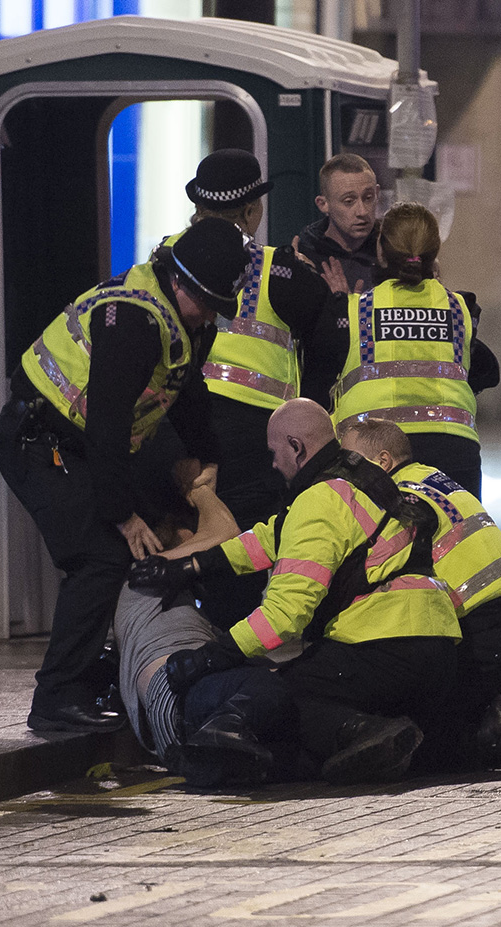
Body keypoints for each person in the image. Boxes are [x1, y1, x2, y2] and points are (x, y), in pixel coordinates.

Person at [0, 217, 247, 732]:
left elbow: (186, 391)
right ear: (180, 282)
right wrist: (125, 516)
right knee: (101, 557)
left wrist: (208, 457)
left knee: (134, 542)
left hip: (80, 446)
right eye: (206, 303)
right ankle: (57, 699)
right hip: (41, 443)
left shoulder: (182, 318)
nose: (208, 318)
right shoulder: (133, 321)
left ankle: (97, 670)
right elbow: (107, 424)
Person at [129, 399, 459, 783]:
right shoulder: (357, 481)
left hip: (383, 641)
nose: (272, 464)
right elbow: (271, 538)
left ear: (296, 447)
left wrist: (211, 656)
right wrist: (193, 564)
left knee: (284, 695)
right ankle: (485, 732)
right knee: (423, 734)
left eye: (274, 453)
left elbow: (285, 616)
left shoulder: (319, 500)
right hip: (437, 646)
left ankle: (359, 732)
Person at [340, 417, 501, 771]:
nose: (340, 474)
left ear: (383, 462)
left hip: (477, 645)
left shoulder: (393, 502)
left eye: (348, 460)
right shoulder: (435, 480)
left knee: (411, 744)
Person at [168, 149, 344, 627]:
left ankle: (178, 647)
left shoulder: (164, 257)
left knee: (183, 537)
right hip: (255, 438)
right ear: (251, 211)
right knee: (241, 552)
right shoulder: (280, 272)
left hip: (177, 429)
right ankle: (231, 657)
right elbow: (331, 339)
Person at [113, 483, 305, 787]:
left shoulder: (180, 601)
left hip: (186, 705)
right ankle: (216, 736)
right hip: (176, 693)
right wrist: (199, 488)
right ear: (160, 537)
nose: (193, 538)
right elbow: (226, 533)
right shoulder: (144, 577)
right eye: (187, 530)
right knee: (267, 684)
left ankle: (211, 763)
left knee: (297, 738)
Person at [323, 202, 500, 497]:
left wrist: (336, 303)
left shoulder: (353, 310)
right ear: (434, 255)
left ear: (381, 252)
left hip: (374, 454)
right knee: (454, 539)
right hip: (454, 450)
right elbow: (487, 372)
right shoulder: (461, 308)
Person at [293, 153, 381, 295]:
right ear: (323, 204)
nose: (362, 211)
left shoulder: (394, 250)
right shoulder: (305, 256)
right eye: (349, 201)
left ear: (377, 194)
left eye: (368, 198)